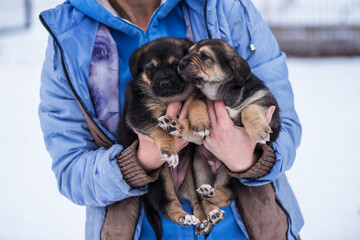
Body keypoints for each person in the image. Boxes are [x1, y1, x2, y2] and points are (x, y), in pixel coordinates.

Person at [39, 0, 303, 239]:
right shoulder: (68, 34)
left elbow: (284, 124)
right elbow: (69, 168)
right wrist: (137, 162)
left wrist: (250, 158)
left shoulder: (223, 6)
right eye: (152, 70)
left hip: (252, 229)